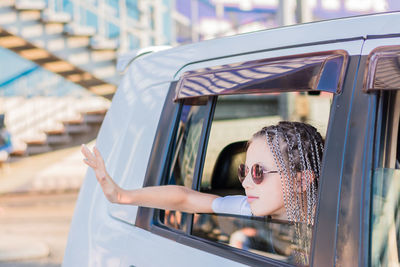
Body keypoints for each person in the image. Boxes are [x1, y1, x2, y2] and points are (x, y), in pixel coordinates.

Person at [81, 121, 324, 225]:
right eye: (244, 171)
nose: (246, 183)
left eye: (258, 172)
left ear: (301, 180)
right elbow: (186, 198)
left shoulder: (340, 224)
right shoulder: (247, 209)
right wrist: (121, 196)